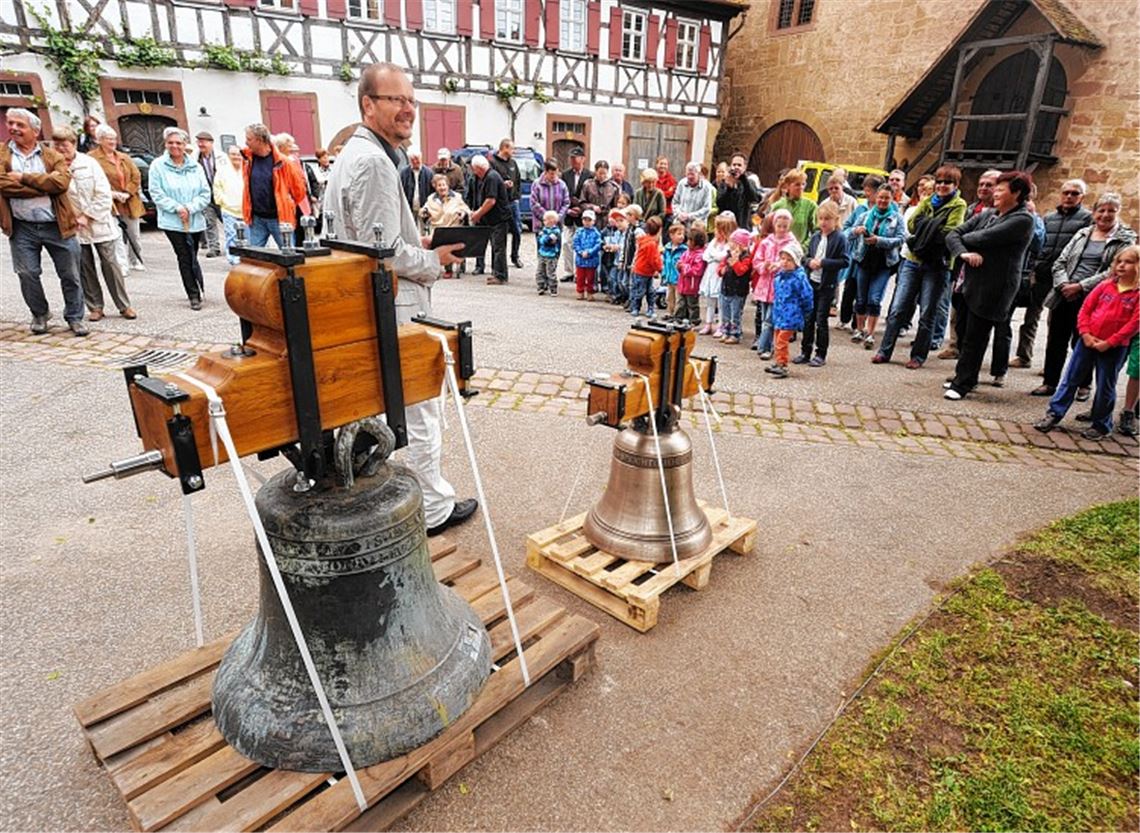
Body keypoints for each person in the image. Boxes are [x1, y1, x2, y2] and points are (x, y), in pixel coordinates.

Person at [323, 61, 475, 537]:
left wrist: (424, 247)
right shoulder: (371, 161)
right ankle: (432, 508)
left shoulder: (360, 153)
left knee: (390, 410)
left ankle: (395, 500)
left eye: (412, 100)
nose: (408, 109)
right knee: (423, 408)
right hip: (395, 306)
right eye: (397, 100)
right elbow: (383, 251)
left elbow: (379, 239)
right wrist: (434, 260)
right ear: (368, 105)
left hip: (372, 302)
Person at [942, 171, 1036, 400]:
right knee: (964, 333)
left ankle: (962, 384)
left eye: (1000, 189)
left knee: (976, 336)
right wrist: (963, 254)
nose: (994, 192)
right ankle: (965, 376)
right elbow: (953, 234)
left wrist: (966, 238)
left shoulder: (1022, 219)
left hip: (995, 287)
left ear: (1017, 193)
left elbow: (983, 238)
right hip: (970, 283)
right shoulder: (988, 214)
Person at [1034, 193, 1136, 398]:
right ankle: (1050, 382)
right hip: (1065, 293)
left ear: (1118, 212)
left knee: (1084, 340)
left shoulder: (1125, 238)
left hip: (1097, 297)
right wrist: (1064, 284)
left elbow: (1113, 270)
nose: (1105, 215)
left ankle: (1083, 385)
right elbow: (1061, 261)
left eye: (1111, 211)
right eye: (1101, 210)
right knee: (1056, 340)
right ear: (1094, 212)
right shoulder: (1082, 233)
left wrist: (1080, 286)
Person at [1033, 245, 1139, 440]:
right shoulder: (1105, 285)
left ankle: (1101, 424)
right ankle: (1054, 414)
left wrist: (1110, 342)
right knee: (1071, 378)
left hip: (1113, 347)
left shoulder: (1137, 293)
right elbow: (1086, 310)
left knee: (1105, 385)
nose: (1122, 266)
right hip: (1087, 341)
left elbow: (1134, 324)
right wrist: (1086, 334)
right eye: (1120, 262)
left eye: (1129, 262)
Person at [872, 165, 967, 368]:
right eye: (939, 181)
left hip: (937, 265)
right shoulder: (928, 201)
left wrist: (926, 226)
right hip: (913, 261)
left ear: (955, 185)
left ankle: (918, 356)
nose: (942, 186)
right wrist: (932, 226)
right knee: (898, 308)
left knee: (927, 312)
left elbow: (949, 232)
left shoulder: (959, 205)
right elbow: (912, 224)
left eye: (947, 182)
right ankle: (884, 351)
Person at [1, 108, 85, 335]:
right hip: (21, 226)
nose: (13, 128)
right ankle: (40, 313)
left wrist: (24, 179)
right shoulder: (2, 154)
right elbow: (2, 185)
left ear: (35, 131)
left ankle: (75, 317)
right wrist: (42, 187)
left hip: (57, 225)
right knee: (27, 273)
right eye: (11, 123)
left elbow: (61, 184)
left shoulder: (53, 156)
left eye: (20, 124)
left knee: (70, 274)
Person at [52, 126, 135, 322]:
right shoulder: (54, 166)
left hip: (98, 223)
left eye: (64, 145)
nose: (61, 149)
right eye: (57, 145)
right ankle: (95, 307)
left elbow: (104, 194)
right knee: (84, 267)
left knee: (110, 265)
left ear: (73, 144)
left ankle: (124, 305)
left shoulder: (89, 163)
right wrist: (71, 218)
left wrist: (87, 216)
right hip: (74, 227)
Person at [1014, 179, 1092, 368]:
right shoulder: (1049, 217)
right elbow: (1039, 243)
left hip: (1065, 276)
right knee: (1031, 317)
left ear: (1081, 197)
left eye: (1074, 193)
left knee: (1056, 323)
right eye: (1066, 193)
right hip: (1042, 273)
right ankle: (1024, 356)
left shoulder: (1086, 219)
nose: (1069, 197)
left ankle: (1051, 364)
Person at [937, 168, 999, 358]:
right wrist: (962, 246)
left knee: (977, 319)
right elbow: (954, 234)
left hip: (984, 272)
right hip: (962, 266)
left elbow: (968, 236)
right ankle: (955, 345)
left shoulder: (1001, 214)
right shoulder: (971, 209)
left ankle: (971, 357)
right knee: (957, 309)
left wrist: (965, 239)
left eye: (989, 185)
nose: (983, 188)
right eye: (981, 184)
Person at [148, 126, 211, 310]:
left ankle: (198, 284)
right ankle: (193, 294)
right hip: (172, 221)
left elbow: (205, 192)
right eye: (171, 143)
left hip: (194, 218)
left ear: (185, 145)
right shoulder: (158, 166)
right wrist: (177, 208)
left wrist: (190, 208)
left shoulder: (195, 166)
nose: (174, 146)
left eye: (178, 143)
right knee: (184, 255)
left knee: (193, 254)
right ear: (166, 144)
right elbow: (156, 193)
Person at [850, 185, 905, 351]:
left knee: (874, 299)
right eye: (880, 197)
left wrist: (879, 240)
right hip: (863, 260)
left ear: (892, 199)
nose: (882, 201)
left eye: (886, 198)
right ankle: (859, 330)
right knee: (860, 298)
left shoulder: (897, 218)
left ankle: (871, 333)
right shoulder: (865, 215)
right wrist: (855, 231)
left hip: (883, 264)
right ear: (875, 197)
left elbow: (901, 239)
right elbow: (847, 233)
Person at [88, 124, 145, 272]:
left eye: (114, 139)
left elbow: (136, 176)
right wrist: (112, 194)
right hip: (109, 203)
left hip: (129, 201)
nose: (112, 142)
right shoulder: (92, 159)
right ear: (99, 140)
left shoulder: (123, 157)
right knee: (116, 236)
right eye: (108, 139)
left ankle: (135, 260)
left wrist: (127, 192)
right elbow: (92, 181)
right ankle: (122, 265)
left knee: (134, 235)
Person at [796, 202, 848, 366]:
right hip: (812, 282)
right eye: (821, 219)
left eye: (827, 219)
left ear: (835, 220)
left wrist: (824, 263)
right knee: (808, 318)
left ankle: (821, 354)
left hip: (827, 285)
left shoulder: (840, 238)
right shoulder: (816, 237)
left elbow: (845, 261)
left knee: (821, 319)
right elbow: (805, 257)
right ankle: (805, 351)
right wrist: (809, 262)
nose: (824, 223)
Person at [241, 123, 309, 249]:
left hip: (280, 219)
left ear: (260, 140)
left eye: (249, 139)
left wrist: (287, 204)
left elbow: (299, 191)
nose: (246, 142)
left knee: (288, 255)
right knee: (254, 257)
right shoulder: (247, 159)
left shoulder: (284, 162)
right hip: (257, 219)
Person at [764, 242, 813, 378]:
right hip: (780, 313)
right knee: (777, 338)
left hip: (791, 315)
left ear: (796, 261)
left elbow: (807, 295)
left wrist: (805, 311)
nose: (785, 262)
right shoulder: (780, 276)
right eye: (783, 259)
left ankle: (782, 366)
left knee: (782, 340)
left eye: (789, 260)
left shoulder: (798, 278)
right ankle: (779, 361)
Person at [751, 208, 796, 359]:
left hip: (780, 287)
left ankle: (765, 347)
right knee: (765, 318)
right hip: (765, 285)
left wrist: (779, 266)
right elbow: (757, 260)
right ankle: (766, 345)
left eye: (785, 226)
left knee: (771, 319)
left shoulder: (791, 243)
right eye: (779, 226)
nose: (782, 229)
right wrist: (764, 265)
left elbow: (795, 261)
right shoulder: (766, 242)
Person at [468, 155, 510, 284]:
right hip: (490, 219)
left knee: (498, 248)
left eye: (474, 169)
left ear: (479, 168)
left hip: (499, 218)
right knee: (495, 246)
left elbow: (490, 201)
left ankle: (500, 275)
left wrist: (477, 214)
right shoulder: (480, 178)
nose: (473, 172)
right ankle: (496, 272)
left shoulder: (492, 177)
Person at [420, 173, 471, 278]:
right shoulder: (431, 199)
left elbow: (466, 209)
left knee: (449, 238)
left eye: (444, 185)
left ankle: (449, 268)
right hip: (437, 228)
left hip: (453, 227)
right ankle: (437, 266)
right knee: (432, 240)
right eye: (439, 185)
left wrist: (462, 213)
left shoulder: (457, 197)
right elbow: (424, 210)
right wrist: (424, 212)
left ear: (448, 185)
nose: (442, 187)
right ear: (435, 187)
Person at [487, 139, 523, 268]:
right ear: (504, 148)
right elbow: (490, 181)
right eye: (512, 149)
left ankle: (515, 256)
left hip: (513, 202)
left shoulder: (513, 163)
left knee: (517, 231)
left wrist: (517, 196)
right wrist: (502, 184)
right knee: (499, 234)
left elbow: (518, 180)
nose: (514, 151)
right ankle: (497, 263)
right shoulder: (493, 163)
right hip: (500, 204)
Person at [700, 211, 734, 335]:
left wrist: (713, 256)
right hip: (710, 273)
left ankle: (721, 325)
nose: (715, 232)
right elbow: (705, 255)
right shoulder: (713, 242)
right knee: (709, 301)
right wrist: (713, 256)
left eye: (718, 230)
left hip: (719, 275)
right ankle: (708, 323)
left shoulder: (728, 244)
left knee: (720, 302)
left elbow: (722, 257)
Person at [560, 147, 591, 280]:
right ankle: (569, 271)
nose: (573, 160)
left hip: (583, 216)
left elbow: (590, 196)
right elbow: (562, 194)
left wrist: (581, 208)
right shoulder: (565, 174)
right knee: (566, 243)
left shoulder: (590, 175)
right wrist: (569, 209)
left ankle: (580, 272)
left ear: (583, 159)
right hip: (569, 215)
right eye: (571, 158)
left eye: (576, 158)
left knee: (581, 244)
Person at [718, 228, 752, 344]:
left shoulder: (746, 258)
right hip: (726, 288)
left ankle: (735, 333)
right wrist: (721, 270)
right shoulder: (728, 255)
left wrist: (736, 262)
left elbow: (741, 271)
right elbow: (721, 266)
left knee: (735, 313)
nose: (730, 244)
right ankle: (725, 331)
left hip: (738, 290)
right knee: (725, 313)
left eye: (733, 242)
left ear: (741, 245)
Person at [195, 131, 226, 257]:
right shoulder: (195, 158)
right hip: (206, 195)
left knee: (227, 221)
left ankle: (234, 245)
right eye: (199, 141)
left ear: (211, 143)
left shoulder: (221, 157)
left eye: (204, 141)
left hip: (221, 194)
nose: (201, 144)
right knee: (209, 222)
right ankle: (214, 247)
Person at [214, 145, 246, 266]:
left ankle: (246, 259)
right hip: (229, 210)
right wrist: (222, 201)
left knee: (246, 237)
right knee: (231, 235)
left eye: (238, 154)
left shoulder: (246, 169)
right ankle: (233, 259)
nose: (236, 157)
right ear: (228, 155)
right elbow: (217, 188)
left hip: (245, 210)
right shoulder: (222, 170)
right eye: (233, 154)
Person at [770, 169, 817, 246]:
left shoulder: (810, 206)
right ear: (788, 186)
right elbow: (769, 229)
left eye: (803, 184)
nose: (801, 187)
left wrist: (804, 247)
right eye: (797, 184)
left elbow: (816, 232)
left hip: (799, 251)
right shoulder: (778, 205)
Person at [629, 215, 663, 317]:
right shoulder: (651, 244)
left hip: (641, 270)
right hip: (643, 271)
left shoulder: (644, 240)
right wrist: (660, 269)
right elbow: (653, 259)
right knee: (645, 291)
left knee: (643, 291)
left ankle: (638, 308)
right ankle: (641, 308)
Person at [716, 153, 758, 229]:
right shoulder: (724, 183)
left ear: (744, 167)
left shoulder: (749, 183)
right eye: (734, 165)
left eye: (739, 165)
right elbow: (720, 203)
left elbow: (754, 198)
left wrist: (743, 179)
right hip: (727, 226)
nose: (736, 167)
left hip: (743, 225)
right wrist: (729, 189)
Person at [676, 225, 706, 325]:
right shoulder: (687, 252)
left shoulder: (700, 255)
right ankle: (679, 318)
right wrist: (679, 265)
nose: (687, 242)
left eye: (689, 240)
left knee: (692, 304)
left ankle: (694, 320)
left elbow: (697, 270)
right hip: (683, 283)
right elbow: (681, 261)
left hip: (692, 286)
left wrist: (684, 267)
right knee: (681, 302)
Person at [400, 149, 434, 233]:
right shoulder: (404, 173)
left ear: (421, 158)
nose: (415, 161)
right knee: (409, 231)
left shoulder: (429, 173)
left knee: (423, 231)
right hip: (409, 208)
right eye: (412, 160)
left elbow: (432, 192)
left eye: (417, 159)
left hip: (424, 208)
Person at [672, 161, 714, 230]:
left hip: (697, 227)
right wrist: (679, 214)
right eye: (688, 174)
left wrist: (689, 216)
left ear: (699, 174)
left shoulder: (707, 187)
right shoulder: (681, 184)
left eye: (692, 174)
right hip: (680, 225)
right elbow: (675, 202)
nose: (690, 177)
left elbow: (707, 209)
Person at [579, 160, 619, 229]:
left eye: (604, 173)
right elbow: (582, 202)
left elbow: (615, 206)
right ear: (595, 171)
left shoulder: (613, 187)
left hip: (606, 221)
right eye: (600, 173)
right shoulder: (588, 184)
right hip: (590, 220)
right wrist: (592, 207)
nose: (602, 176)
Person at [572, 208, 602, 301]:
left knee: (591, 278)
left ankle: (590, 292)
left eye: (589, 220)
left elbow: (598, 244)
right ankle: (580, 291)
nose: (587, 222)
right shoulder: (579, 232)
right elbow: (575, 243)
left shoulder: (596, 233)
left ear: (594, 221)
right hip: (580, 260)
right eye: (585, 220)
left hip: (591, 260)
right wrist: (581, 252)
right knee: (580, 277)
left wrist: (589, 252)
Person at [530, 159, 569, 231]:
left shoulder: (562, 185)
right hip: (541, 225)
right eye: (551, 173)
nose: (553, 176)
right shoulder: (537, 184)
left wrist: (558, 217)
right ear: (545, 172)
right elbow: (533, 203)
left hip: (557, 225)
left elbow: (566, 203)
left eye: (556, 173)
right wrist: (547, 217)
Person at [661, 222, 687, 319]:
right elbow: (665, 262)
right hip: (669, 278)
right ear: (671, 235)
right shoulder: (667, 248)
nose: (682, 237)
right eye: (679, 234)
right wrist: (664, 273)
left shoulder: (684, 250)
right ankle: (669, 312)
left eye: (683, 234)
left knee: (678, 298)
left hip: (678, 278)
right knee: (669, 297)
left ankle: (677, 315)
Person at [535, 210, 562, 295]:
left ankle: (553, 288)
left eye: (545, 220)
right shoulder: (544, 230)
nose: (544, 222)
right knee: (540, 271)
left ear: (551, 221)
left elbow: (547, 241)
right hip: (542, 254)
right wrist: (542, 237)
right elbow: (539, 240)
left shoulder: (556, 232)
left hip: (551, 255)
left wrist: (543, 237)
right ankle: (541, 286)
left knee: (550, 273)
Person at [1118, 335, 1139, 436]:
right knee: (1109, 366)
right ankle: (1100, 407)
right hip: (1122, 323)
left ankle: (1128, 411)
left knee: (1137, 370)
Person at [655, 156, 677, 222]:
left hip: (668, 212)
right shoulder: (653, 178)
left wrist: (659, 193)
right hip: (655, 211)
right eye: (661, 163)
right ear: (656, 165)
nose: (663, 166)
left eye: (665, 164)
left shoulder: (671, 180)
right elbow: (653, 194)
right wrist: (667, 192)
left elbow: (671, 194)